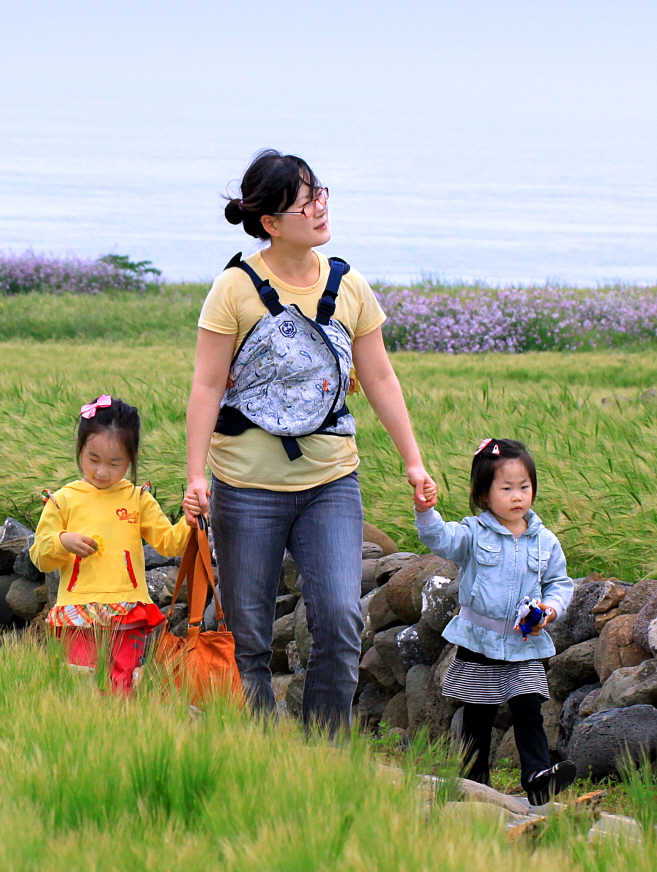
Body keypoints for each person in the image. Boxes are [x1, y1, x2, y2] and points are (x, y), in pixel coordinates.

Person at [182, 149, 435, 734]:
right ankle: (259, 751)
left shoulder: (350, 285)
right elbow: (206, 385)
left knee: (342, 622)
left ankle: (325, 751)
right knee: (247, 635)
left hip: (330, 481)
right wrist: (196, 475)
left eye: (321, 193)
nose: (321, 207)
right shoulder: (233, 289)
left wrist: (414, 461)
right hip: (245, 486)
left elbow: (379, 378)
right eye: (306, 201)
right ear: (271, 222)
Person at [414, 437, 577, 805]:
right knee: (478, 717)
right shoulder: (473, 533)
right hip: (479, 640)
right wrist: (425, 511)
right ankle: (475, 784)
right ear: (484, 495)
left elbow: (560, 584)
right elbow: (440, 539)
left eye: (525, 487)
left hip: (524, 642)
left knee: (529, 709)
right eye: (506, 488)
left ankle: (537, 778)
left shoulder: (545, 541)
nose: (517, 496)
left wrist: (550, 610)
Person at [31, 394, 190, 693]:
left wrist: (190, 520)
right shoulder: (63, 500)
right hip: (77, 610)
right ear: (79, 447)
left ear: (131, 458)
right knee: (81, 684)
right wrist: (63, 541)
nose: (102, 472)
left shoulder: (137, 498)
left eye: (115, 463)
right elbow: (40, 556)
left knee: (124, 684)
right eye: (93, 460)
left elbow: (170, 544)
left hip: (128, 609)